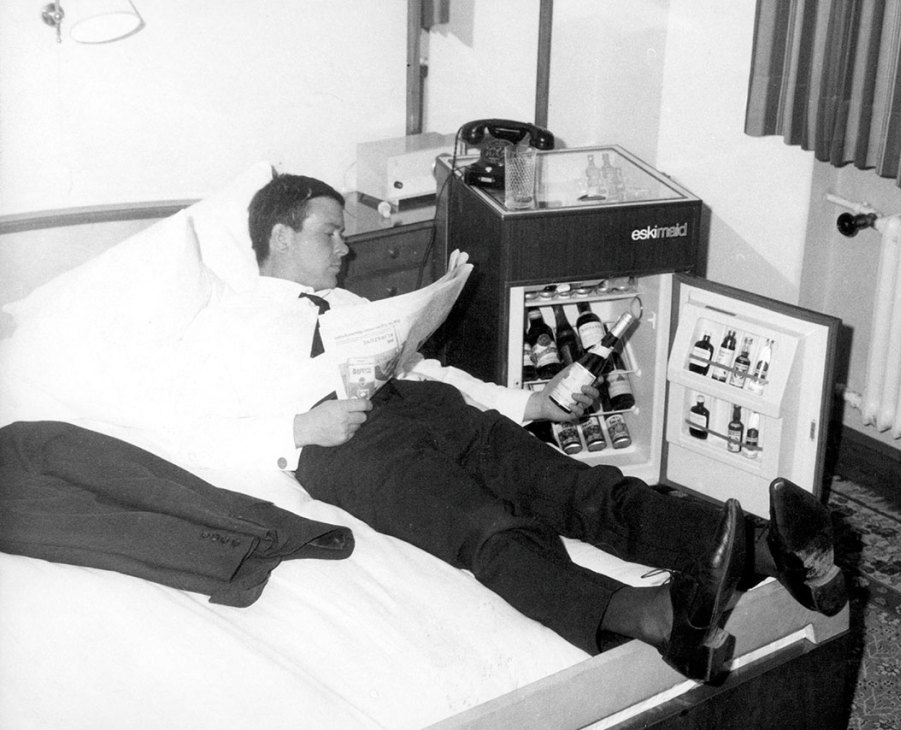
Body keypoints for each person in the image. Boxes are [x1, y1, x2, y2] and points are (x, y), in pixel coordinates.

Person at [173, 173, 846, 684]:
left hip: (425, 402)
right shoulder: (223, 326)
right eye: (330, 232)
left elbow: (430, 367)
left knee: (579, 489)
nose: (345, 249)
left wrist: (532, 404)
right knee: (486, 528)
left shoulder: (349, 304)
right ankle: (654, 619)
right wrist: (300, 425)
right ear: (281, 235)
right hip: (344, 444)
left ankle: (770, 551)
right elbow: (191, 431)